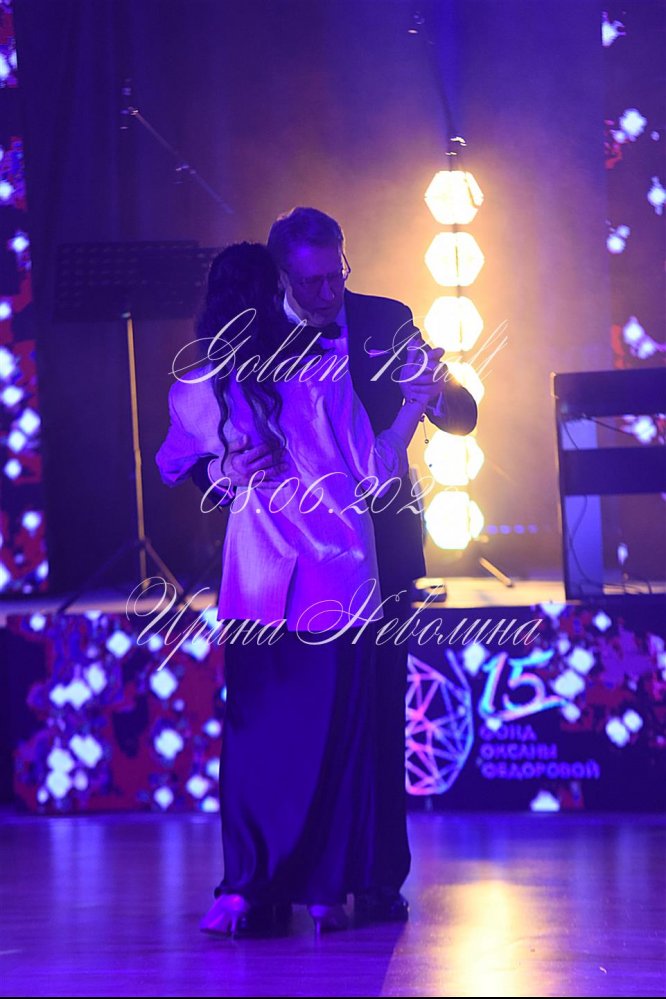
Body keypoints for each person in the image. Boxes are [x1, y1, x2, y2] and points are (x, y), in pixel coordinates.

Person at [155, 242, 441, 936]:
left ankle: (248, 887)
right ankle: (319, 891)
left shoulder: (202, 384)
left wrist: (221, 468)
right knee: (332, 746)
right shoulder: (319, 373)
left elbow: (170, 463)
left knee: (260, 747)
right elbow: (376, 473)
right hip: (333, 585)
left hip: (262, 590)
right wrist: (413, 406)